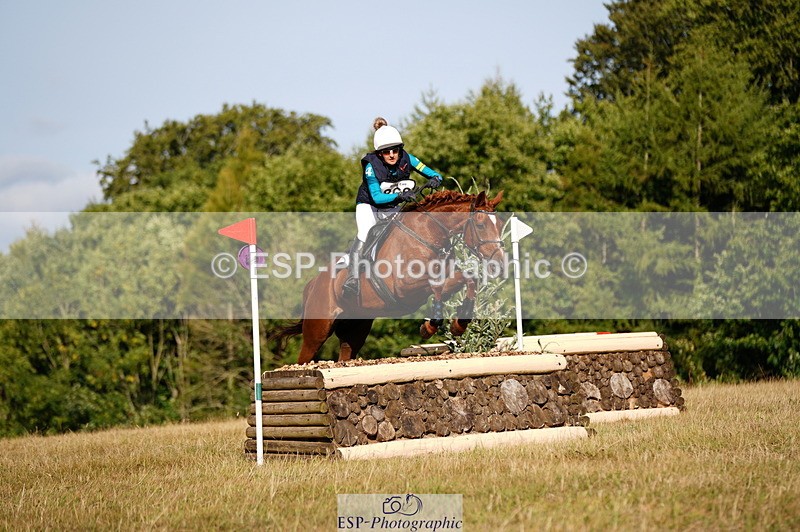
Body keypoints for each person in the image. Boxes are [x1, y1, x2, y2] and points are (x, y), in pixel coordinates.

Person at [342, 117, 443, 299]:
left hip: (393, 207)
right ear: (379, 153)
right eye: (386, 152)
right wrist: (400, 195)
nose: (391, 155)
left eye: (395, 150)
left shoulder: (408, 158)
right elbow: (377, 197)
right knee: (365, 233)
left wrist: (435, 178)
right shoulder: (371, 167)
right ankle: (352, 278)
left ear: (400, 149)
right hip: (369, 206)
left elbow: (432, 172)